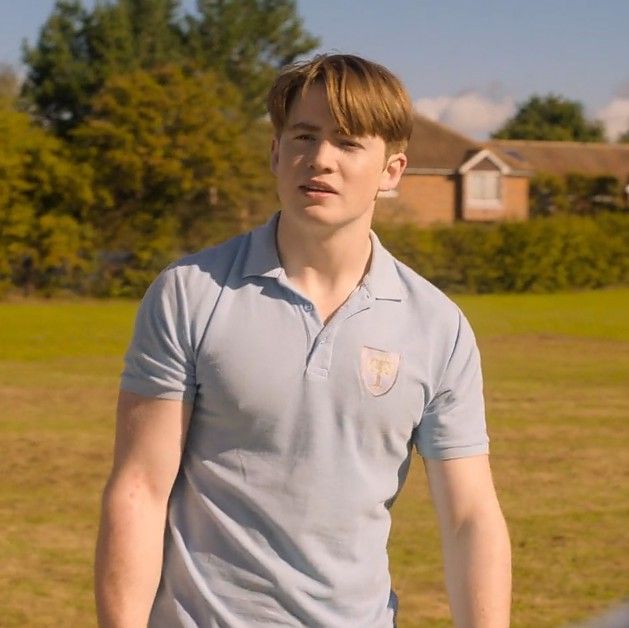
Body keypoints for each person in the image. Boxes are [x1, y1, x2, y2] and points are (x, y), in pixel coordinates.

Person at [95, 53, 511, 627]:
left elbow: (470, 517)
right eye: (304, 136)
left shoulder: (439, 327)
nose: (320, 160)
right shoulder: (189, 293)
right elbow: (138, 490)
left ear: (392, 171)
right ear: (275, 152)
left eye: (347, 142)